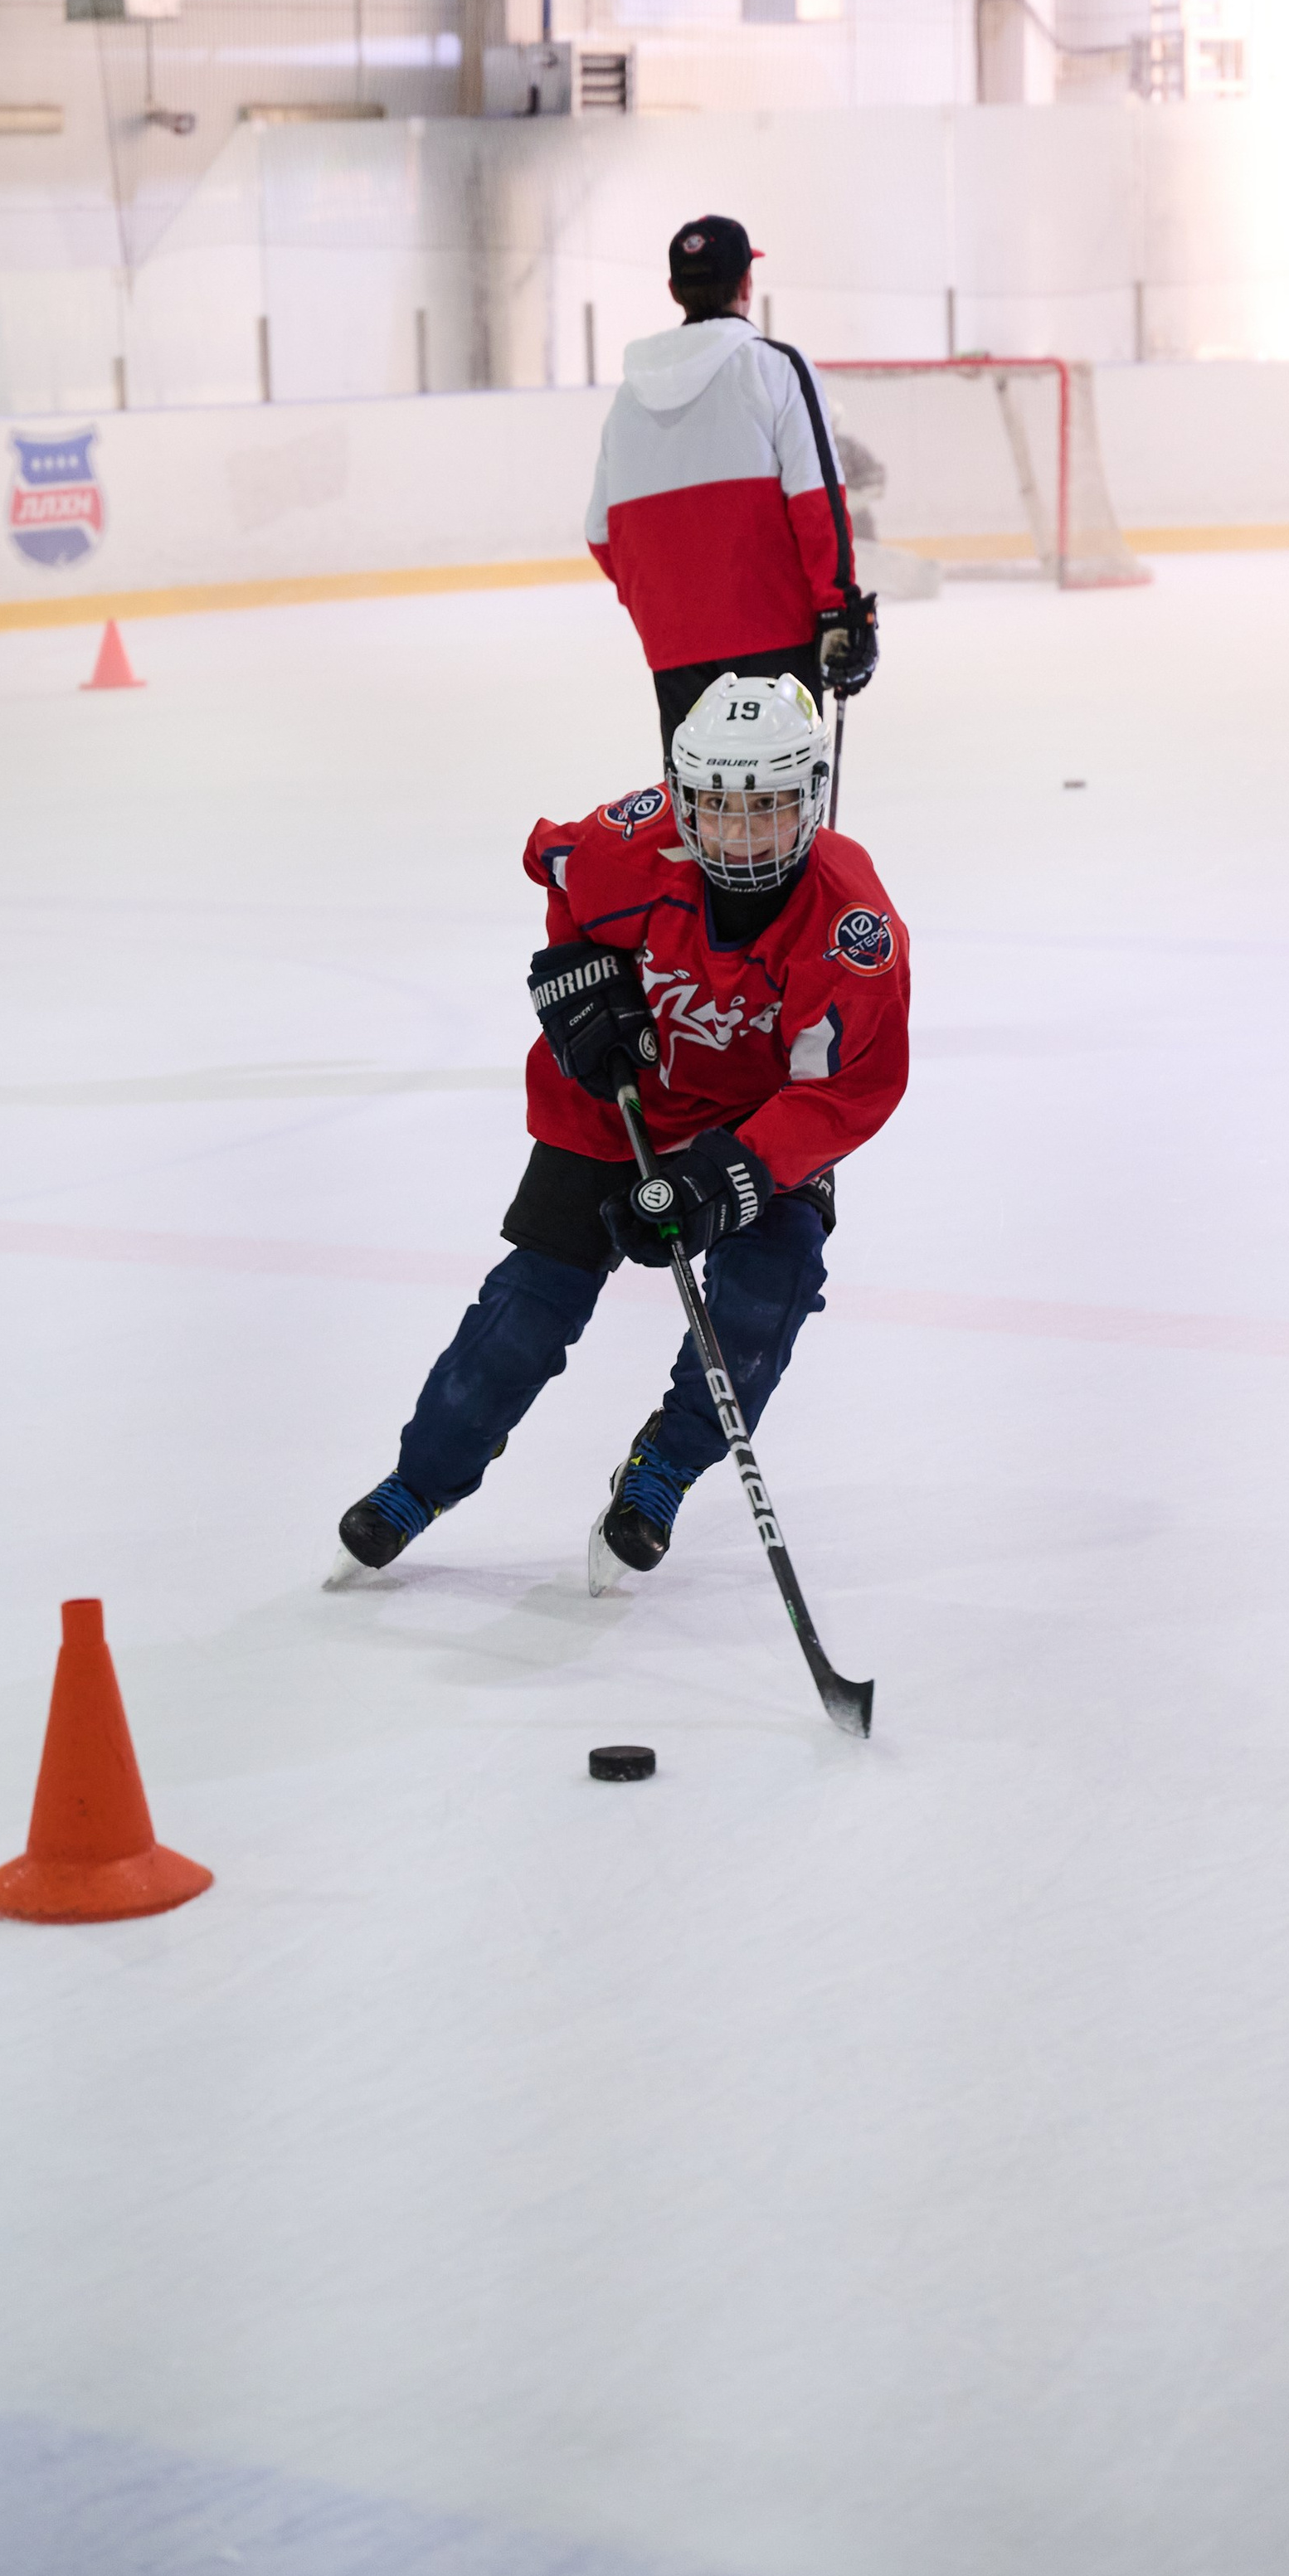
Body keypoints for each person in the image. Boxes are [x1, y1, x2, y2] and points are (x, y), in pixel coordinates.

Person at [329, 670, 910, 1594]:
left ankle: (663, 1472)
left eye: (766, 809)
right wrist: (577, 972)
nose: (741, 832)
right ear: (682, 797)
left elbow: (845, 1089)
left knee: (765, 1302)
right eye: (717, 808)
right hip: (613, 1104)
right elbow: (554, 861)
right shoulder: (633, 842)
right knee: (527, 1309)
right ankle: (419, 1481)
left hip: (752, 1128)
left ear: (810, 799)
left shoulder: (850, 924)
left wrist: (727, 1176)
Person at [586, 214, 879, 761]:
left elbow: (602, 536)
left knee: (706, 823)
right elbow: (819, 504)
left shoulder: (627, 398)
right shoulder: (776, 367)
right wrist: (839, 614)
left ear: (674, 291)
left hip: (675, 649)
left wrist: (671, 613)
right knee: (782, 816)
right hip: (778, 637)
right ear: (747, 285)